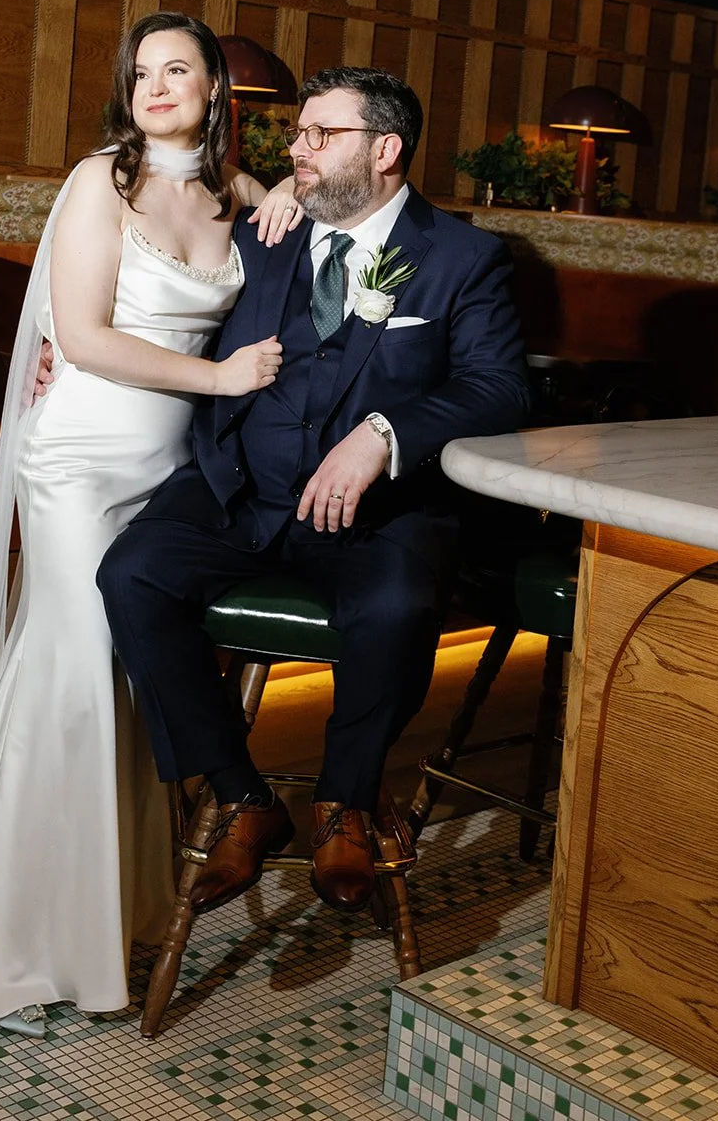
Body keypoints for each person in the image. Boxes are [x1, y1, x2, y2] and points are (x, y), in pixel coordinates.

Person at [0, 12, 300, 1034]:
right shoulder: (100, 183)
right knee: (74, 671)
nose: (157, 86)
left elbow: (311, 204)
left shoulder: (236, 194)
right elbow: (80, 334)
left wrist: (293, 184)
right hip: (78, 456)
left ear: (217, 88)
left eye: (179, 69)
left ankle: (93, 917)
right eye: (141, 72)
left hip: (169, 469)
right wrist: (218, 373)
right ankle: (18, 947)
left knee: (124, 681)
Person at [98, 66, 530, 917]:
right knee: (132, 575)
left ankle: (345, 800)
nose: (296, 148)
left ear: (386, 150)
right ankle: (244, 798)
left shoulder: (463, 257)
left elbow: (501, 388)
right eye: (297, 133)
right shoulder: (267, 233)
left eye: (319, 136)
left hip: (377, 513)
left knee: (398, 604)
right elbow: (164, 292)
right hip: (241, 488)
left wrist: (382, 437)